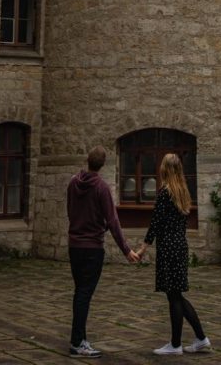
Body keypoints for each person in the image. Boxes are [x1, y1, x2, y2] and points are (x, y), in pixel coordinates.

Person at [67, 145, 139, 357]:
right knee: (84, 294)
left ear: (87, 160)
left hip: (74, 245)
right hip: (91, 248)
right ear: (103, 164)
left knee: (80, 292)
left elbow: (70, 211)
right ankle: (77, 342)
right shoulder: (101, 188)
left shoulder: (73, 182)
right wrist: (126, 250)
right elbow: (113, 221)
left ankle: (80, 338)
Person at [137, 153, 211, 355]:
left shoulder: (165, 193)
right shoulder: (182, 192)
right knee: (176, 294)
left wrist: (144, 247)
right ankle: (200, 339)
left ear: (165, 169)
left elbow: (156, 223)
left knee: (174, 295)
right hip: (180, 246)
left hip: (169, 247)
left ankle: (176, 344)